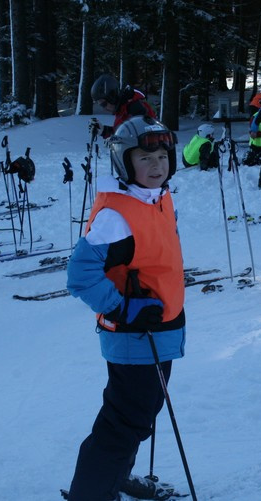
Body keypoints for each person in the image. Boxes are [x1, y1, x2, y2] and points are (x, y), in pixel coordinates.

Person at [66, 115, 187, 501]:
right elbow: (80, 275)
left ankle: (115, 478)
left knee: (139, 415)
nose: (157, 166)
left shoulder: (157, 197)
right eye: (145, 158)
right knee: (122, 424)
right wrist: (124, 309)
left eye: (163, 157)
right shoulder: (117, 216)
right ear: (124, 162)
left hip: (158, 332)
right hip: (136, 336)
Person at [89, 73, 156, 139]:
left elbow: (143, 136)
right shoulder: (122, 108)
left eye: (103, 104)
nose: (104, 108)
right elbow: (121, 133)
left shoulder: (135, 108)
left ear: (111, 98)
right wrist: (104, 131)